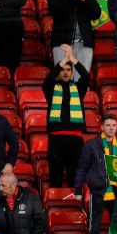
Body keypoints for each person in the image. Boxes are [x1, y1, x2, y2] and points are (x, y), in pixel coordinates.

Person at [76, 113, 117, 234]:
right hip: (98, 192)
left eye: (114, 125)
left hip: (116, 192)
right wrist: (77, 190)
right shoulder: (91, 145)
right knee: (94, 228)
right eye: (108, 125)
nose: (111, 128)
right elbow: (82, 167)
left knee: (116, 228)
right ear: (101, 127)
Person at [44, 45, 91, 188]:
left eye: (68, 70)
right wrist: (63, 61)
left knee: (74, 177)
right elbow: (49, 78)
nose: (65, 72)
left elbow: (86, 76)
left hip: (75, 140)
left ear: (72, 73)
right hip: (56, 140)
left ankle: (74, 207)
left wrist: (73, 59)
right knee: (56, 177)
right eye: (63, 70)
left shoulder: (78, 88)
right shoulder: (51, 89)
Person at [48, 0, 101, 78]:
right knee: (62, 80)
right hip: (62, 43)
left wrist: (85, 0)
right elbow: (55, 13)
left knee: (82, 81)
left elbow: (96, 14)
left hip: (84, 43)